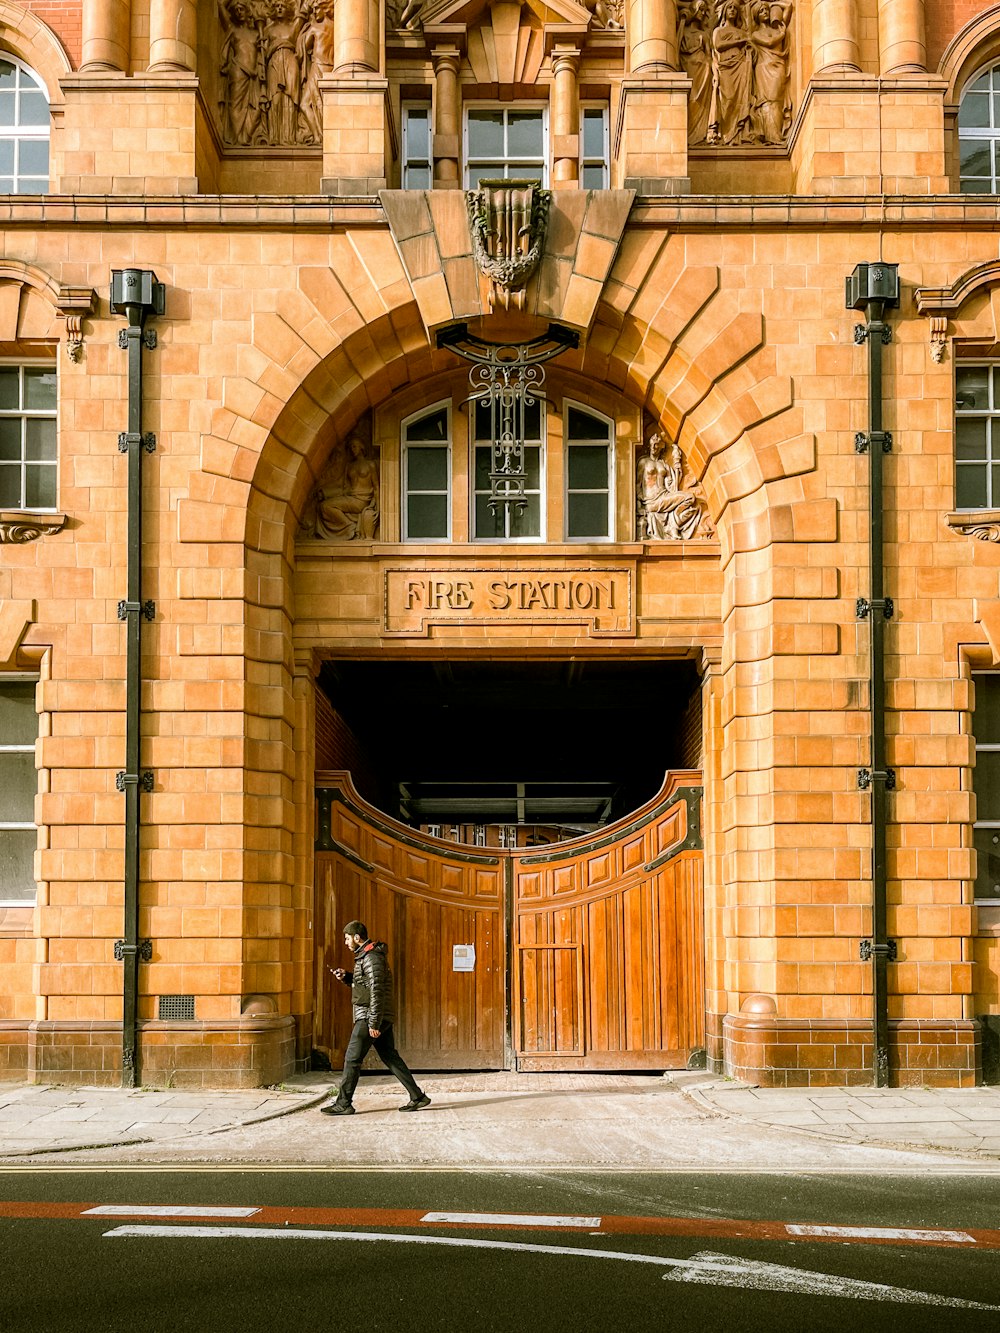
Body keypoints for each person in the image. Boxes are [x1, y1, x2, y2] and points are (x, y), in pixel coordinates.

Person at [321, 920, 431, 1116]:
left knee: (352, 1059)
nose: (346, 942)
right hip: (378, 1016)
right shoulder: (366, 956)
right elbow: (366, 986)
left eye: (347, 938)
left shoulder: (372, 957)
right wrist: (347, 977)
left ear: (357, 937)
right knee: (390, 1057)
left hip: (370, 1016)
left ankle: (344, 1103)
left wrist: (373, 1022)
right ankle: (418, 1097)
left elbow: (377, 992)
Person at [636, 431, 704, 540]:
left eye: (657, 444)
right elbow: (637, 485)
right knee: (687, 498)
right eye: (653, 443)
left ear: (661, 447)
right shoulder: (643, 462)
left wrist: (677, 461)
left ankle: (673, 526)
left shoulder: (663, 465)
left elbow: (673, 483)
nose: (654, 446)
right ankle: (672, 527)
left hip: (665, 496)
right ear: (649, 445)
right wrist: (639, 505)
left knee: (689, 498)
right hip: (651, 501)